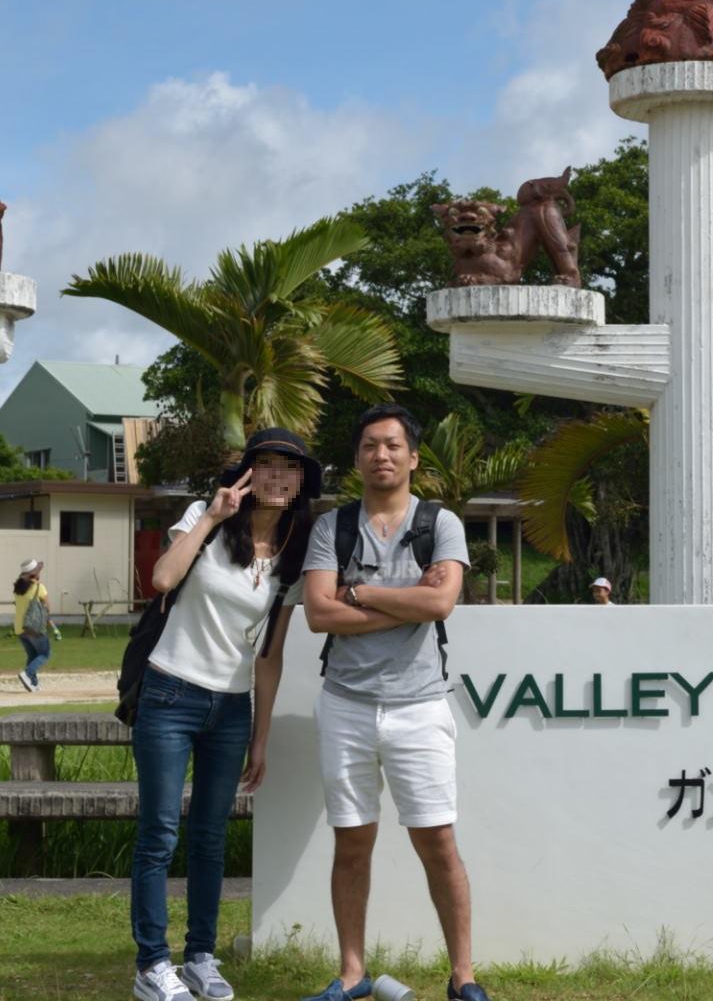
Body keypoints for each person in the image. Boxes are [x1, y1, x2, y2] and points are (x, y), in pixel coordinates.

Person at [292, 403, 489, 1001]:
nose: (382, 455)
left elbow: (440, 605)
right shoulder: (333, 527)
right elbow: (319, 615)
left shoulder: (440, 523)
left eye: (393, 446)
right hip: (346, 705)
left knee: (437, 841)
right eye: (371, 446)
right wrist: (404, 596)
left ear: (413, 457)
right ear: (356, 459)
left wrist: (362, 591)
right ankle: (352, 975)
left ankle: (463, 977)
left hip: (419, 706)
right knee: (352, 841)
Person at [130, 427, 324, 1001]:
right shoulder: (204, 515)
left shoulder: (294, 551)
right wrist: (213, 517)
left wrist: (259, 738)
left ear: (300, 482)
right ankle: (151, 965)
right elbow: (162, 578)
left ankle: (200, 958)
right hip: (169, 693)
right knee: (160, 833)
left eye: (287, 468)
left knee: (210, 838)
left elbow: (270, 655)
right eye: (264, 464)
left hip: (231, 706)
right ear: (247, 472)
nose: (275, 476)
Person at [11, 558, 59, 692]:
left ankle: (33, 683)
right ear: (35, 574)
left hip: (20, 628)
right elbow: (48, 608)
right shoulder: (39, 588)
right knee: (45, 654)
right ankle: (27, 673)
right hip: (34, 628)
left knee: (32, 656)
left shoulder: (17, 589)